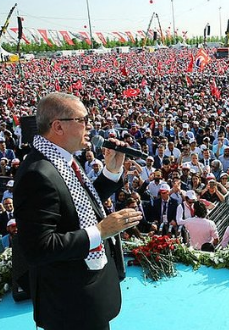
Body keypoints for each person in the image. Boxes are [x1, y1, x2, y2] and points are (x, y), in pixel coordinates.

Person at [14, 92, 143, 330]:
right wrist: (100, 231)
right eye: (82, 120)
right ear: (58, 127)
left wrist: (111, 172)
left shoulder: (62, 159)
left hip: (86, 295)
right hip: (70, 305)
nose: (89, 126)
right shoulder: (37, 173)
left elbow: (76, 205)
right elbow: (38, 248)